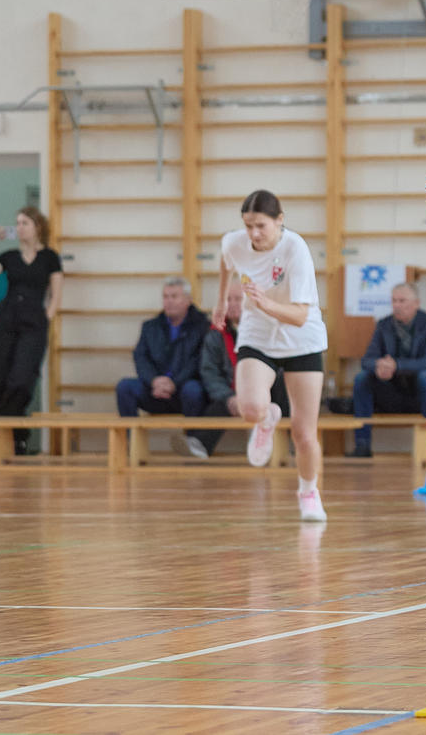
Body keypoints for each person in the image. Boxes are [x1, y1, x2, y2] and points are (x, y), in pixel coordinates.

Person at [213, 189, 329, 521]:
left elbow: (300, 315)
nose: (253, 234)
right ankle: (265, 419)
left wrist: (266, 303)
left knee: (304, 432)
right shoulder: (235, 242)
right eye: (248, 225)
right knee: (250, 407)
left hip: (300, 338)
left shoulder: (295, 250)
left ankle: (309, 492)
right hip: (258, 334)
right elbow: (225, 260)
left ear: (279, 221)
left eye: (261, 226)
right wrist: (221, 300)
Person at [0, 206, 62, 455]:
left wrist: (46, 317)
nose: (20, 227)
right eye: (18, 223)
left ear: (38, 226)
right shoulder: (9, 256)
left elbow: (56, 294)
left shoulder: (50, 258)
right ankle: (17, 435)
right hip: (6, 320)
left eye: (25, 222)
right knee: (1, 380)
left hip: (34, 322)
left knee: (22, 379)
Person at [349, 282, 426, 457]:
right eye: (394, 300)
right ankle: (362, 445)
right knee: (362, 378)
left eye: (402, 301)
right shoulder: (383, 325)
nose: (397, 305)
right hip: (392, 394)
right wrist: (380, 366)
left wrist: (397, 366)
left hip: (424, 395)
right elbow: (367, 361)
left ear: (416, 303)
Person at [114, 277, 213, 458]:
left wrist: (174, 382)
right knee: (125, 387)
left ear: (188, 300)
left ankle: (193, 447)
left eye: (174, 296)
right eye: (165, 296)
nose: (168, 301)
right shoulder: (150, 327)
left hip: (185, 392)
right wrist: (155, 381)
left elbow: (199, 361)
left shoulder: (203, 327)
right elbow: (140, 358)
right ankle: (132, 446)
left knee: (194, 390)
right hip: (155, 391)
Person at [191, 281, 290, 456]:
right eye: (228, 299)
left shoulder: (266, 327)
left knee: (283, 381)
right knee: (216, 404)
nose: (232, 304)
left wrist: (256, 393)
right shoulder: (215, 333)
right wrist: (230, 398)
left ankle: (287, 445)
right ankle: (199, 446)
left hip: (266, 391)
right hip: (232, 393)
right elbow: (210, 373)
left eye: (238, 299)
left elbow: (279, 363)